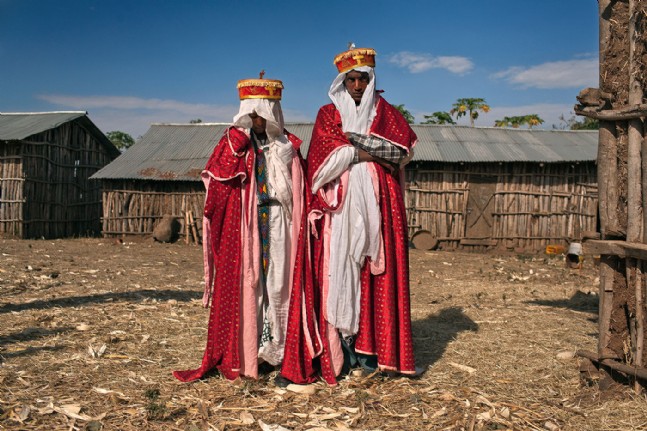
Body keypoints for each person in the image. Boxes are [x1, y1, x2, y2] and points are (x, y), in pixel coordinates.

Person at [279, 46, 417, 386]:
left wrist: (356, 150)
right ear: (342, 82)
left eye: (363, 78)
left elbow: (402, 153)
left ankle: (371, 352)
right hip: (337, 209)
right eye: (351, 79)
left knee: (372, 274)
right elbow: (321, 165)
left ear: (372, 80)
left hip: (379, 205)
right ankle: (338, 347)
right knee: (337, 274)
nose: (357, 85)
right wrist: (364, 152)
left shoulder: (387, 113)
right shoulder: (328, 113)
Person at [173, 73, 304, 382]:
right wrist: (237, 148)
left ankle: (281, 351)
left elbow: (300, 188)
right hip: (247, 226)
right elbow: (217, 185)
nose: (257, 119)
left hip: (280, 222)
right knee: (250, 287)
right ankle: (249, 351)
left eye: (263, 112)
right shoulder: (233, 144)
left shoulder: (287, 146)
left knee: (281, 285)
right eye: (253, 112)